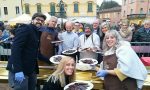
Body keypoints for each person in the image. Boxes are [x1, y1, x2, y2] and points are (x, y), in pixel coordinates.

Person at [6, 12, 46, 90]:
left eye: (42, 21)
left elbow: (35, 52)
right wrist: (18, 70)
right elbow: (16, 49)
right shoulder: (25, 28)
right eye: (38, 19)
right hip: (20, 69)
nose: (40, 22)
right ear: (32, 20)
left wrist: (51, 60)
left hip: (31, 70)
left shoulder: (37, 32)